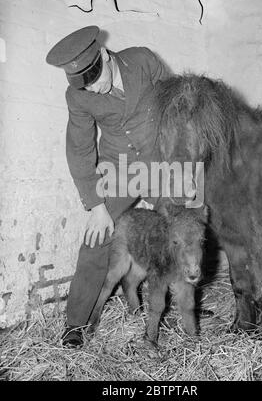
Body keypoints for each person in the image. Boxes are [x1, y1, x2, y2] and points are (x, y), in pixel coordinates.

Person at [46, 25, 170, 347]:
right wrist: (97, 206)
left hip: (161, 162)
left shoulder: (142, 60)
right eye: (84, 86)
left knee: (188, 223)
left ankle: (188, 301)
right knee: (95, 240)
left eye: (96, 79)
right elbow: (80, 148)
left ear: (103, 54)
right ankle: (76, 325)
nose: (94, 90)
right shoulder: (78, 96)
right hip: (120, 170)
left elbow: (175, 104)